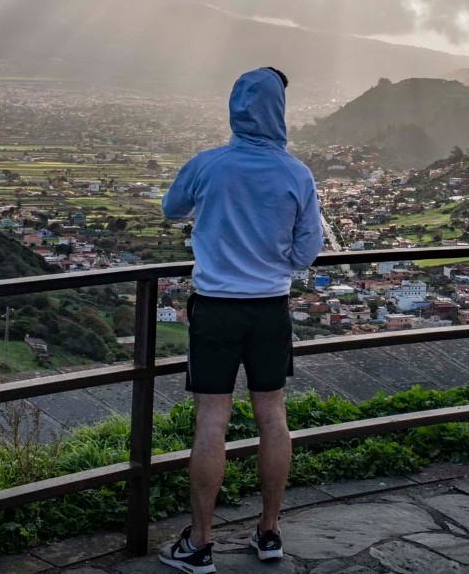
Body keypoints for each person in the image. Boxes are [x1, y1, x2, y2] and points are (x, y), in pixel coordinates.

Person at [157, 67, 324, 574]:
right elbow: (307, 251)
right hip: (269, 308)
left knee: (212, 420)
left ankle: (201, 543)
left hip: (216, 308)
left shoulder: (209, 164)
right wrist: (275, 256)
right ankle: (269, 532)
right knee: (273, 417)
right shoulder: (296, 173)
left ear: (235, 107)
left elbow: (171, 209)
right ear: (280, 111)